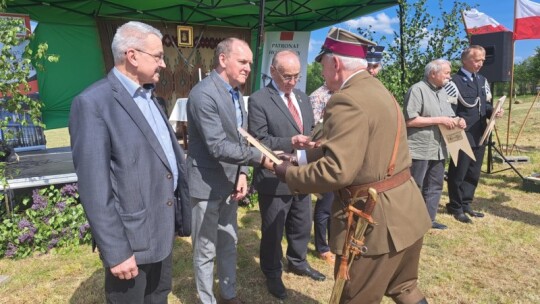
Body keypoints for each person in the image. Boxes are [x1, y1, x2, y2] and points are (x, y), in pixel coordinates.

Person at [273, 27, 431, 304]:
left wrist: (290, 174)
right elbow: (360, 148)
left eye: (322, 65)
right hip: (407, 213)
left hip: (374, 225)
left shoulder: (346, 99)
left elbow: (337, 171)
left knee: (352, 297)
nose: (321, 72)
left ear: (335, 63)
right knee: (405, 288)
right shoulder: (378, 90)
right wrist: (299, 158)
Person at [69, 21, 190, 303]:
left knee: (158, 296)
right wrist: (117, 251)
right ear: (132, 56)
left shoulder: (153, 99)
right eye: (158, 56)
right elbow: (94, 189)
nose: (163, 64)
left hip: (161, 230)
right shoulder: (93, 103)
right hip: (131, 241)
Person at [186, 37, 271, 304]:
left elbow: (240, 138)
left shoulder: (235, 93)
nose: (248, 67)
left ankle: (229, 294)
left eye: (250, 63)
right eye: (242, 61)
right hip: (206, 184)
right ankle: (206, 299)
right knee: (205, 248)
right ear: (223, 60)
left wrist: (243, 173)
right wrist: (261, 158)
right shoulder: (203, 94)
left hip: (230, 183)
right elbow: (217, 146)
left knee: (229, 242)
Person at [247, 50, 322, 300]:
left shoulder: (302, 97)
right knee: (273, 228)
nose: (292, 81)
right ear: (273, 71)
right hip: (274, 175)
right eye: (287, 76)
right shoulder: (259, 99)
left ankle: (297, 262)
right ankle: (271, 271)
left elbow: (309, 129)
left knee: (301, 222)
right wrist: (290, 140)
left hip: (302, 172)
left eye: (296, 76)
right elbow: (258, 140)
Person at [404, 59, 466, 230]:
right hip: (420, 147)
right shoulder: (417, 90)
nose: (449, 76)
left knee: (435, 185)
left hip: (439, 148)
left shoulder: (443, 92)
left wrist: (458, 121)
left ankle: (428, 220)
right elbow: (410, 120)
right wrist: (440, 120)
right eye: (446, 73)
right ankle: (410, 222)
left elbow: (448, 116)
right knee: (416, 185)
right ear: (433, 73)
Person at [446, 45, 503, 223]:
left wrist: (493, 111)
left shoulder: (482, 80)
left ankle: (466, 202)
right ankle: (455, 206)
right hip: (461, 134)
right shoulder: (453, 81)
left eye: (482, 61)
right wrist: (455, 121)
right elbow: (448, 108)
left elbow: (484, 105)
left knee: (473, 172)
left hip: (479, 133)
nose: (480, 64)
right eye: (476, 60)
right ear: (465, 60)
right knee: (458, 172)